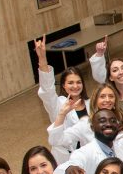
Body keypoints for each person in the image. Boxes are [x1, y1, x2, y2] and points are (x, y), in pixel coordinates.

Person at [34, 34, 91, 163]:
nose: (75, 86)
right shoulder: (58, 103)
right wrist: (42, 59)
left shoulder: (90, 103)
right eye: (70, 83)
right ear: (64, 86)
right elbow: (47, 89)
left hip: (87, 156)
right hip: (66, 158)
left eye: (78, 82)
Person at [53, 109, 121, 174]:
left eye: (113, 121)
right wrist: (69, 170)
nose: (108, 124)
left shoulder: (121, 148)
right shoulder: (84, 153)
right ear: (92, 127)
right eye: (102, 121)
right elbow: (61, 171)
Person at [47, 83, 121, 155]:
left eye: (111, 96)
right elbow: (56, 141)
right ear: (95, 101)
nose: (107, 100)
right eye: (102, 96)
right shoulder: (85, 123)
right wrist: (62, 114)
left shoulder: (121, 122)